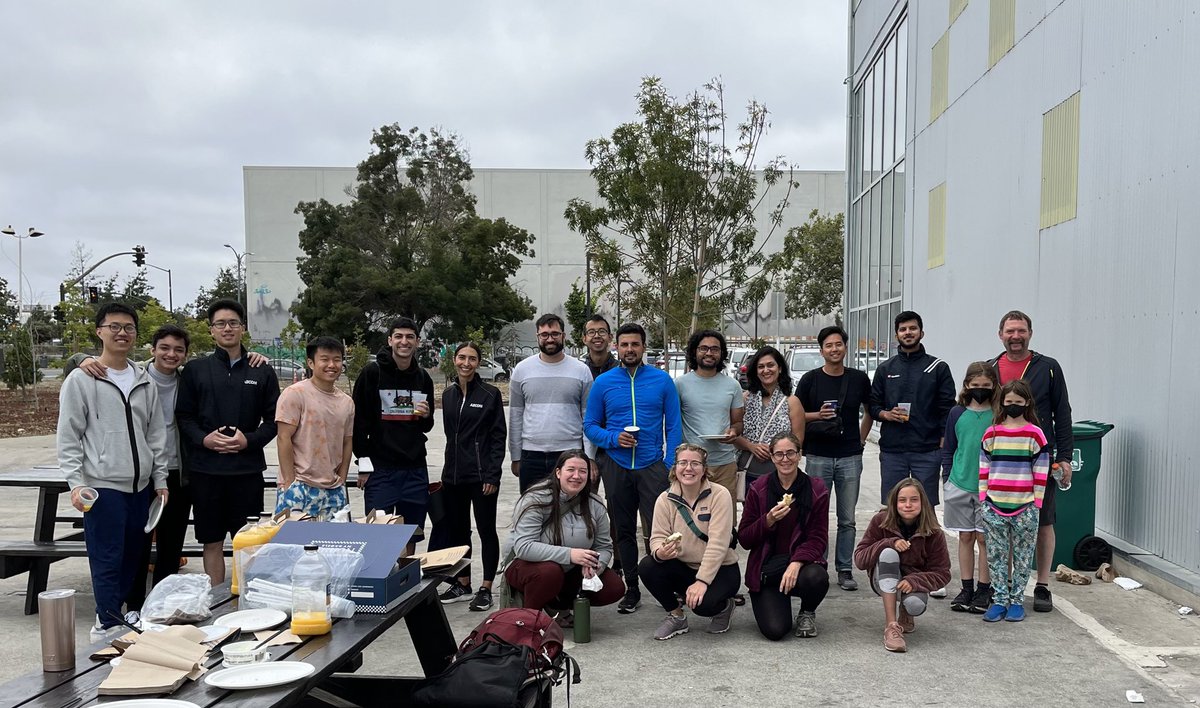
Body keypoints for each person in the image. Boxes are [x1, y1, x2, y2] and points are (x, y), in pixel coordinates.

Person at [77, 328, 269, 606]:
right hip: (141, 473)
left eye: (178, 350)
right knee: (137, 545)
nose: (171, 354)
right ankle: (132, 607)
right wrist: (80, 357)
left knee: (171, 546)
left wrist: (251, 356)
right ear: (152, 349)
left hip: (178, 472)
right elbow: (88, 366)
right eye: (164, 348)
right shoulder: (135, 376)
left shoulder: (187, 378)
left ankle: (158, 605)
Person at [57, 303, 169, 639]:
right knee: (106, 558)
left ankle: (116, 617)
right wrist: (76, 484)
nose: (122, 333)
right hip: (102, 487)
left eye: (129, 327)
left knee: (133, 558)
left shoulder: (143, 380)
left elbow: (155, 434)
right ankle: (105, 623)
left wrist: (160, 479)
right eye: (114, 326)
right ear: (100, 331)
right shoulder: (82, 380)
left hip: (141, 487)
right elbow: (69, 437)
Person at [176, 299, 279, 586]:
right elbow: (184, 417)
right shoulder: (195, 370)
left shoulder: (261, 370)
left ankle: (248, 600)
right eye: (220, 323)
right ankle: (216, 599)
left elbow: (274, 422)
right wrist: (204, 439)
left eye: (233, 322)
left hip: (246, 472)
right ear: (211, 331)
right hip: (206, 472)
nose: (227, 328)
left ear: (243, 328)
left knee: (249, 543)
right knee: (212, 541)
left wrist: (249, 440)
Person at [584, 322, 682, 614]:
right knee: (622, 530)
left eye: (635, 344)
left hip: (653, 465)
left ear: (643, 347)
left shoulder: (662, 381)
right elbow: (590, 426)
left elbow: (674, 426)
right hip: (616, 464)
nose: (629, 350)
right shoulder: (603, 383)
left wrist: (668, 463)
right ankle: (632, 588)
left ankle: (667, 586)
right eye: (624, 345)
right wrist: (614, 439)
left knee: (660, 530)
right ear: (617, 346)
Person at [990, 310, 1073, 613]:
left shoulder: (1047, 368)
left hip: (1038, 458)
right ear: (1001, 334)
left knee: (1042, 521)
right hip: (1001, 459)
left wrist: (1063, 457)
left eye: (1021, 331)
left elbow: (1062, 414)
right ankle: (1005, 587)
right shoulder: (991, 368)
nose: (1015, 336)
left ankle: (1042, 585)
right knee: (1002, 524)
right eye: (1010, 331)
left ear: (1030, 333)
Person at [503, 451, 624, 627]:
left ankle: (556, 604)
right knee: (549, 572)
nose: (577, 476)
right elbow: (523, 547)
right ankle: (529, 621)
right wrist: (571, 555)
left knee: (614, 587)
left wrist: (595, 565)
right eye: (571, 470)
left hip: (568, 570)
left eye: (583, 471)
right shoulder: (535, 499)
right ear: (558, 472)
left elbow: (604, 546)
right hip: (525, 566)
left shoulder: (595, 504)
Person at [430, 342, 506, 612]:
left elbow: (498, 437)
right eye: (462, 357)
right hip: (453, 476)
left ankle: (486, 587)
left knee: (486, 530)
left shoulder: (490, 394)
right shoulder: (449, 395)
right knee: (458, 530)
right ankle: (463, 583)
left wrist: (492, 474)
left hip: (482, 476)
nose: (466, 363)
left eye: (472, 358)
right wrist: (447, 471)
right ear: (454, 360)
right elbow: (452, 438)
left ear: (478, 363)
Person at [797, 325, 874, 592]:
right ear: (821, 350)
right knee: (817, 515)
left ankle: (844, 569)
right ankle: (818, 563)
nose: (834, 349)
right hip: (818, 455)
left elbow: (869, 410)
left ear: (845, 347)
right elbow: (795, 414)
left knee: (847, 518)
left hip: (850, 455)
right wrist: (817, 415)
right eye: (828, 345)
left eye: (838, 344)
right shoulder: (810, 379)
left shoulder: (859, 378)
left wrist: (862, 440)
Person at [352, 317, 435, 555]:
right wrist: (364, 464)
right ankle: (382, 580)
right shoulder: (372, 373)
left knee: (411, 532)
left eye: (410, 337)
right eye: (398, 336)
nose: (404, 341)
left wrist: (426, 416)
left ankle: (405, 582)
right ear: (390, 340)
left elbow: (426, 427)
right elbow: (357, 423)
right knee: (378, 532)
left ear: (417, 342)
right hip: (381, 470)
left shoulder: (423, 377)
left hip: (415, 468)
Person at [638, 444, 740, 640]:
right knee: (648, 565)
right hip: (684, 566)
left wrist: (702, 581)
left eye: (695, 463)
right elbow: (657, 536)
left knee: (704, 606)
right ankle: (676, 616)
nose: (688, 468)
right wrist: (660, 552)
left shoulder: (720, 494)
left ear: (704, 469)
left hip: (721, 568)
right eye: (683, 463)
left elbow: (718, 543)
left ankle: (725, 607)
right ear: (675, 468)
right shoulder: (664, 499)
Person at [738, 432, 830, 640]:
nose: (785, 459)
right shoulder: (758, 488)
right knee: (775, 631)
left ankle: (807, 612)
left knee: (817, 576)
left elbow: (818, 538)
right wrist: (767, 520)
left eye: (790, 453)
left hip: (799, 567)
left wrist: (797, 562)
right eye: (779, 454)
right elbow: (744, 538)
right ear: (771, 457)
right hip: (767, 568)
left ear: (800, 455)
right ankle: (777, 599)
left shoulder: (816, 489)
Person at [978, 379, 1050, 623]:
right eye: (1009, 402)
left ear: (1026, 403)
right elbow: (983, 467)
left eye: (1018, 402)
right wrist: (983, 498)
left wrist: (1036, 503)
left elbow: (1041, 470)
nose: (1013, 406)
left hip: (1025, 507)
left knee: (1022, 555)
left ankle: (1017, 601)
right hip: (994, 505)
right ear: (1002, 403)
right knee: (996, 556)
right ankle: (999, 600)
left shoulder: (1035, 434)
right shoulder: (992, 433)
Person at [853, 479, 951, 653]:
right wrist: (888, 543)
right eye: (902, 500)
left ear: (922, 502)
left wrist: (915, 580)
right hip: (883, 580)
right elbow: (860, 559)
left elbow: (943, 573)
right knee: (888, 553)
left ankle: (906, 611)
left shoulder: (934, 532)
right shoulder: (880, 521)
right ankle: (891, 626)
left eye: (914, 500)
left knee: (915, 605)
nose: (908, 505)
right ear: (894, 502)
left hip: (912, 585)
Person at [869, 310, 955, 505]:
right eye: (903, 329)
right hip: (892, 451)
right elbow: (873, 405)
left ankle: (926, 537)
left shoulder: (937, 367)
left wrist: (943, 443)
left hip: (927, 450)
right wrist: (886, 414)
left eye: (913, 328)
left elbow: (947, 409)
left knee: (924, 507)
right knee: (893, 506)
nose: (908, 332)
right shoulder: (885, 369)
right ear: (896, 335)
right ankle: (895, 538)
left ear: (921, 333)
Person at [509, 313, 594, 493]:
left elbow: (588, 417)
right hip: (531, 455)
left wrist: (589, 456)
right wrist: (515, 456)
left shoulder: (581, 371)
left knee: (570, 513)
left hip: (570, 455)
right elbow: (515, 416)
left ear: (563, 336)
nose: (550, 339)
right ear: (537, 337)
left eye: (555, 334)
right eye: (544, 334)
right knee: (532, 513)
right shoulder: (521, 370)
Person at [274, 337, 354, 521]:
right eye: (324, 359)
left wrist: (342, 478)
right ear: (311, 363)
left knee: (333, 547)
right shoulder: (295, 394)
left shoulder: (346, 402)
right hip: (300, 486)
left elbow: (347, 441)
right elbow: (283, 438)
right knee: (293, 546)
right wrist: (289, 483)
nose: (331, 365)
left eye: (337, 359)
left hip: (333, 490)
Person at [941, 362, 999, 613]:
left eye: (986, 386)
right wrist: (946, 478)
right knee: (965, 536)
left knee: (984, 538)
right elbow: (949, 448)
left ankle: (984, 589)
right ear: (967, 386)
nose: (980, 390)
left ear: (994, 386)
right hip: (960, 482)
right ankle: (966, 587)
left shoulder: (999, 413)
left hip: (990, 487)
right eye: (976, 386)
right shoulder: (956, 413)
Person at [675, 329, 744, 503]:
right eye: (703, 348)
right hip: (691, 465)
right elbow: (671, 423)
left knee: (725, 521)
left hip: (724, 464)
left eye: (714, 349)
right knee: (690, 520)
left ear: (721, 354)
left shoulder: (732, 385)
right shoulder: (680, 384)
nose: (709, 353)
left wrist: (733, 432)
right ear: (694, 351)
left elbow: (738, 423)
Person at [732, 346, 803, 492]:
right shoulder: (745, 399)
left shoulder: (792, 401)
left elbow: (797, 442)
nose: (766, 370)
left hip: (780, 475)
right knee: (752, 514)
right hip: (748, 472)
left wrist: (775, 450)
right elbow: (733, 435)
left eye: (770, 365)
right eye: (761, 367)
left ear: (780, 368)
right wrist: (751, 446)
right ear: (755, 371)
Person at [580, 314, 618, 379]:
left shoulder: (620, 369)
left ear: (610, 337)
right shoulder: (579, 370)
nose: (597, 336)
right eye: (591, 332)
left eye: (602, 331)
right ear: (584, 339)